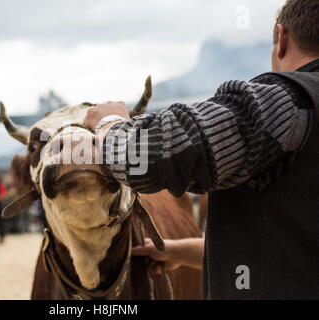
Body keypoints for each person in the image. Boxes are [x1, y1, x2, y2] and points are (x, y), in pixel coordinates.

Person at [83, 0, 319, 299]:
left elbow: (148, 155)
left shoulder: (285, 103)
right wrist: (185, 252)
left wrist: (109, 124)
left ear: (281, 39)